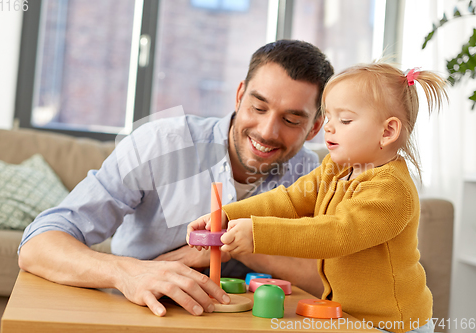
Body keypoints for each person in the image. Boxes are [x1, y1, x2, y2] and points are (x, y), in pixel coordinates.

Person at [18, 40, 334, 317]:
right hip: (142, 315)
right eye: (258, 107)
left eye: (291, 119)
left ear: (315, 128)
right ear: (239, 96)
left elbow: (333, 280)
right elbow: (37, 244)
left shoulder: (312, 176)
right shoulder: (162, 144)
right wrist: (127, 273)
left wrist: (240, 244)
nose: (267, 132)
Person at [187, 63, 447, 333]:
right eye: (329, 117)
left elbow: (338, 234)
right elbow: (289, 199)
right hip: (346, 314)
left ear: (387, 132)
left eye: (344, 120)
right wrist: (230, 214)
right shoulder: (335, 168)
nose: (329, 128)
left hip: (392, 324)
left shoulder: (391, 190)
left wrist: (259, 234)